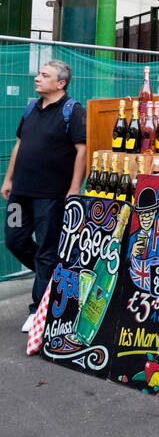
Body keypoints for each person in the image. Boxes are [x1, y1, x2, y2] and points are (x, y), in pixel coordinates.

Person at [2, 60, 87, 333]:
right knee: (14, 239)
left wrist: (75, 187)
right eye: (39, 73)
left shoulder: (72, 111)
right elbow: (19, 144)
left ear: (60, 83)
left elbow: (82, 150)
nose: (37, 78)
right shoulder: (30, 109)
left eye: (44, 75)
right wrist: (8, 178)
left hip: (50, 197)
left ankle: (38, 310)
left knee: (47, 250)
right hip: (20, 194)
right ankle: (51, 277)